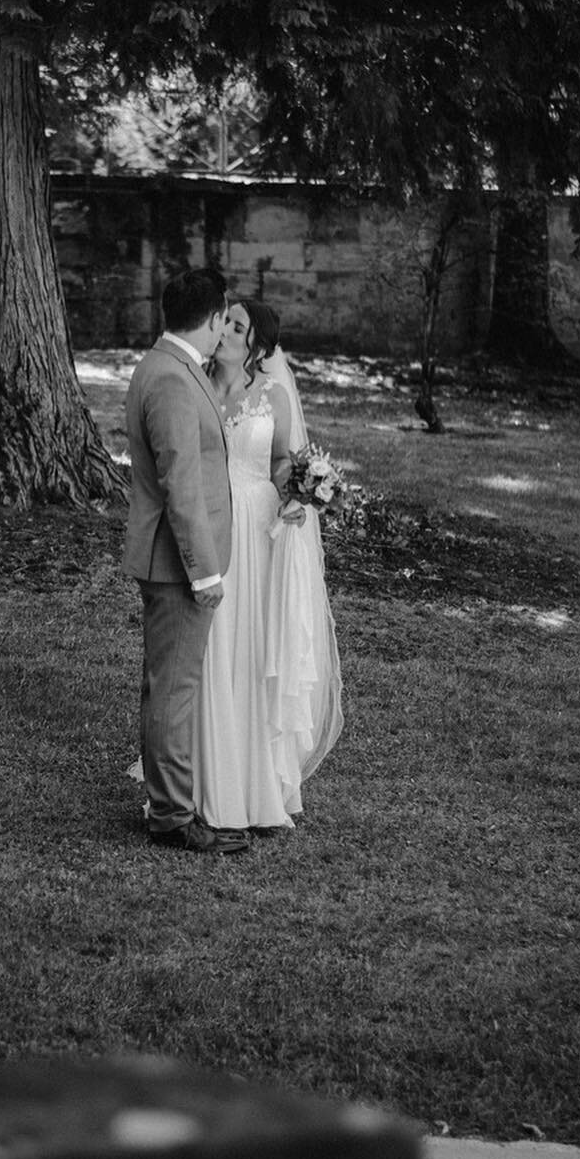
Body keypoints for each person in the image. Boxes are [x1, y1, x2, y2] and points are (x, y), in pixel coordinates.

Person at [195, 297, 344, 832]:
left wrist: (298, 493)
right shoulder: (197, 382)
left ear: (257, 345)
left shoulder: (274, 396)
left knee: (251, 648)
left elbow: (281, 460)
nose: (226, 331)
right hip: (209, 523)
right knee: (213, 644)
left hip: (257, 533)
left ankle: (253, 779)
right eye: (225, 321)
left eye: (238, 326)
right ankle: (203, 774)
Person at [122, 266, 249, 855]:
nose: (227, 325)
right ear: (215, 318)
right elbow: (180, 484)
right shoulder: (171, 379)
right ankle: (172, 816)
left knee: (166, 686)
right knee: (174, 690)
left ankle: (167, 800)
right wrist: (205, 571)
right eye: (226, 316)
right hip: (176, 565)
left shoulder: (168, 365)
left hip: (171, 562)